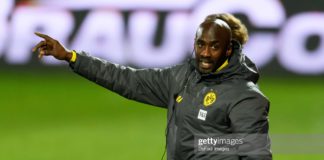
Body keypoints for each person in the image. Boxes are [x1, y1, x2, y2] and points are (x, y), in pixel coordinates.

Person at [33, 13, 271, 160]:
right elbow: (127, 79)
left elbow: (256, 153)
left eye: (214, 47)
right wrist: (72, 57)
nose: (205, 53)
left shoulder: (245, 97)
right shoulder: (182, 77)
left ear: (228, 49)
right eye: (201, 45)